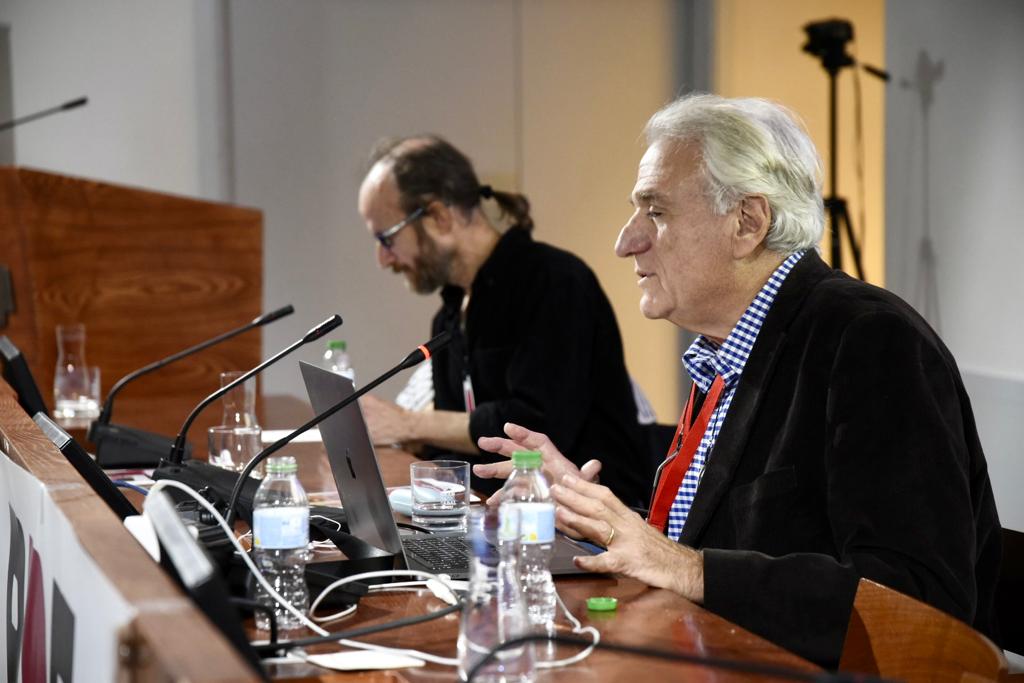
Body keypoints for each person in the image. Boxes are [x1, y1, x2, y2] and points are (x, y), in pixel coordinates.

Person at [474, 94, 1002, 667]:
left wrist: (684, 567)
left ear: (748, 223)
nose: (626, 241)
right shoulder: (729, 350)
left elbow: (918, 599)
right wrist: (594, 515)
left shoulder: (872, 341)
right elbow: (721, 546)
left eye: (656, 211)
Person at [357, 135, 648, 505]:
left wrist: (409, 424)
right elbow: (459, 446)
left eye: (386, 238)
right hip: (498, 512)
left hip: (585, 521)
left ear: (439, 217)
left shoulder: (554, 281)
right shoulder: (449, 316)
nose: (383, 259)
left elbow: (537, 428)